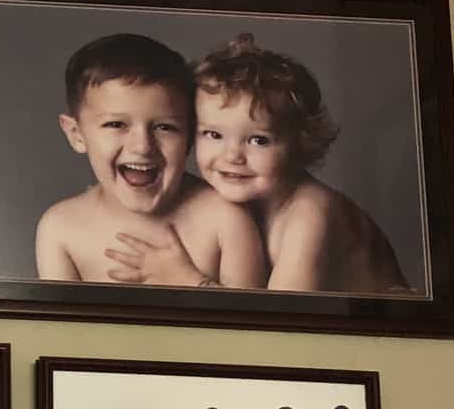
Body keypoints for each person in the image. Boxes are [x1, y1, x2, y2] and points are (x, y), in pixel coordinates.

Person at [112, 35, 409, 295]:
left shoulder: (309, 213)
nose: (233, 156)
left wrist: (186, 280)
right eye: (213, 134)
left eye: (258, 140)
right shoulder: (229, 205)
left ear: (299, 142)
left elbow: (282, 322)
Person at [34, 33, 266, 288]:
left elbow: (249, 314)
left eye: (164, 127)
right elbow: (61, 316)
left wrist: (189, 281)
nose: (143, 146)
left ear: (190, 137)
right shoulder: (60, 228)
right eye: (116, 124)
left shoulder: (226, 219)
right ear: (76, 135)